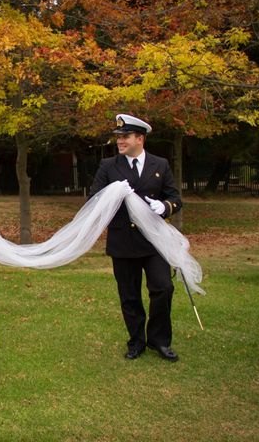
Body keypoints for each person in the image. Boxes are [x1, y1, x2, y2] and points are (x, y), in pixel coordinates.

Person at [89, 114, 182, 362]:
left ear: (139, 138)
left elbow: (175, 198)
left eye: (125, 136)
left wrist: (165, 207)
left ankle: (159, 341)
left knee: (163, 288)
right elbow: (94, 199)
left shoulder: (160, 164)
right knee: (129, 295)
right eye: (118, 137)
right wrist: (114, 193)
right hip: (123, 242)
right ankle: (137, 341)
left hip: (154, 242)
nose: (119, 141)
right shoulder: (108, 166)